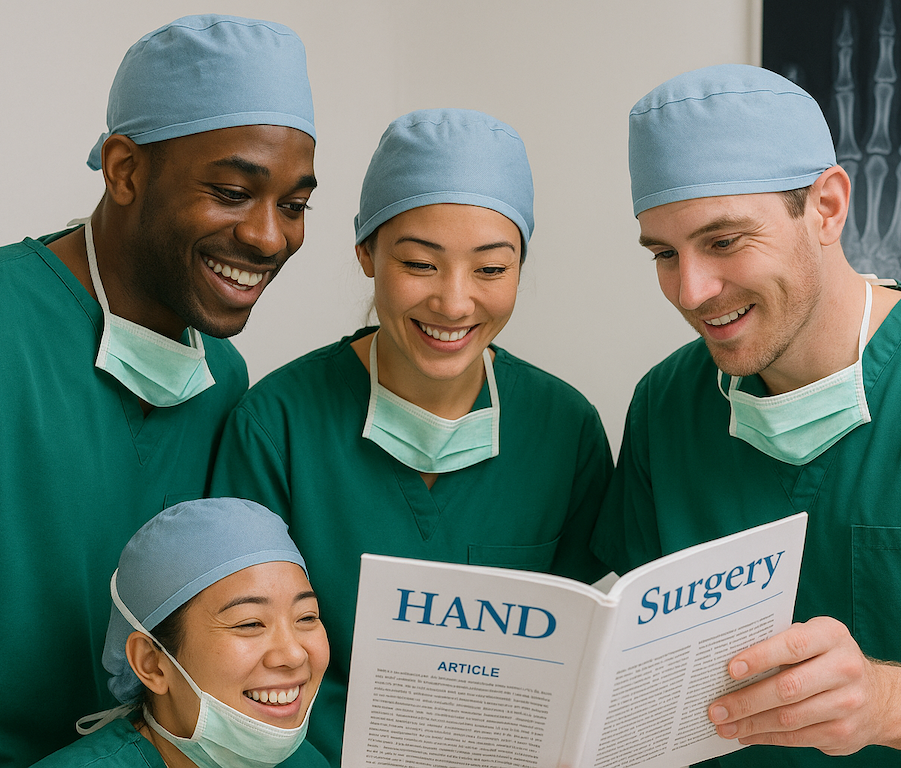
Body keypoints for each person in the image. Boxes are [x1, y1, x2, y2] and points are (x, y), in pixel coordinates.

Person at [591, 64, 901, 766]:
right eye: (664, 253)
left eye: (723, 242)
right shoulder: (665, 405)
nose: (691, 291)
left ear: (827, 208)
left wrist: (885, 702)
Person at [210, 108, 613, 765]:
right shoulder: (276, 424)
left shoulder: (564, 431)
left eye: (490, 270)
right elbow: (242, 664)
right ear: (367, 253)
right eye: (422, 264)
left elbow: (579, 656)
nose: (454, 303)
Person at [0, 15, 317, 765]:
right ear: (125, 171)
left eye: (295, 205)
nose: (270, 238)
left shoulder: (220, 378)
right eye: (234, 191)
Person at [31, 497, 329, 768]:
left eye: (306, 617)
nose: (293, 654)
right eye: (249, 623)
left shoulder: (306, 761)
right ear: (151, 662)